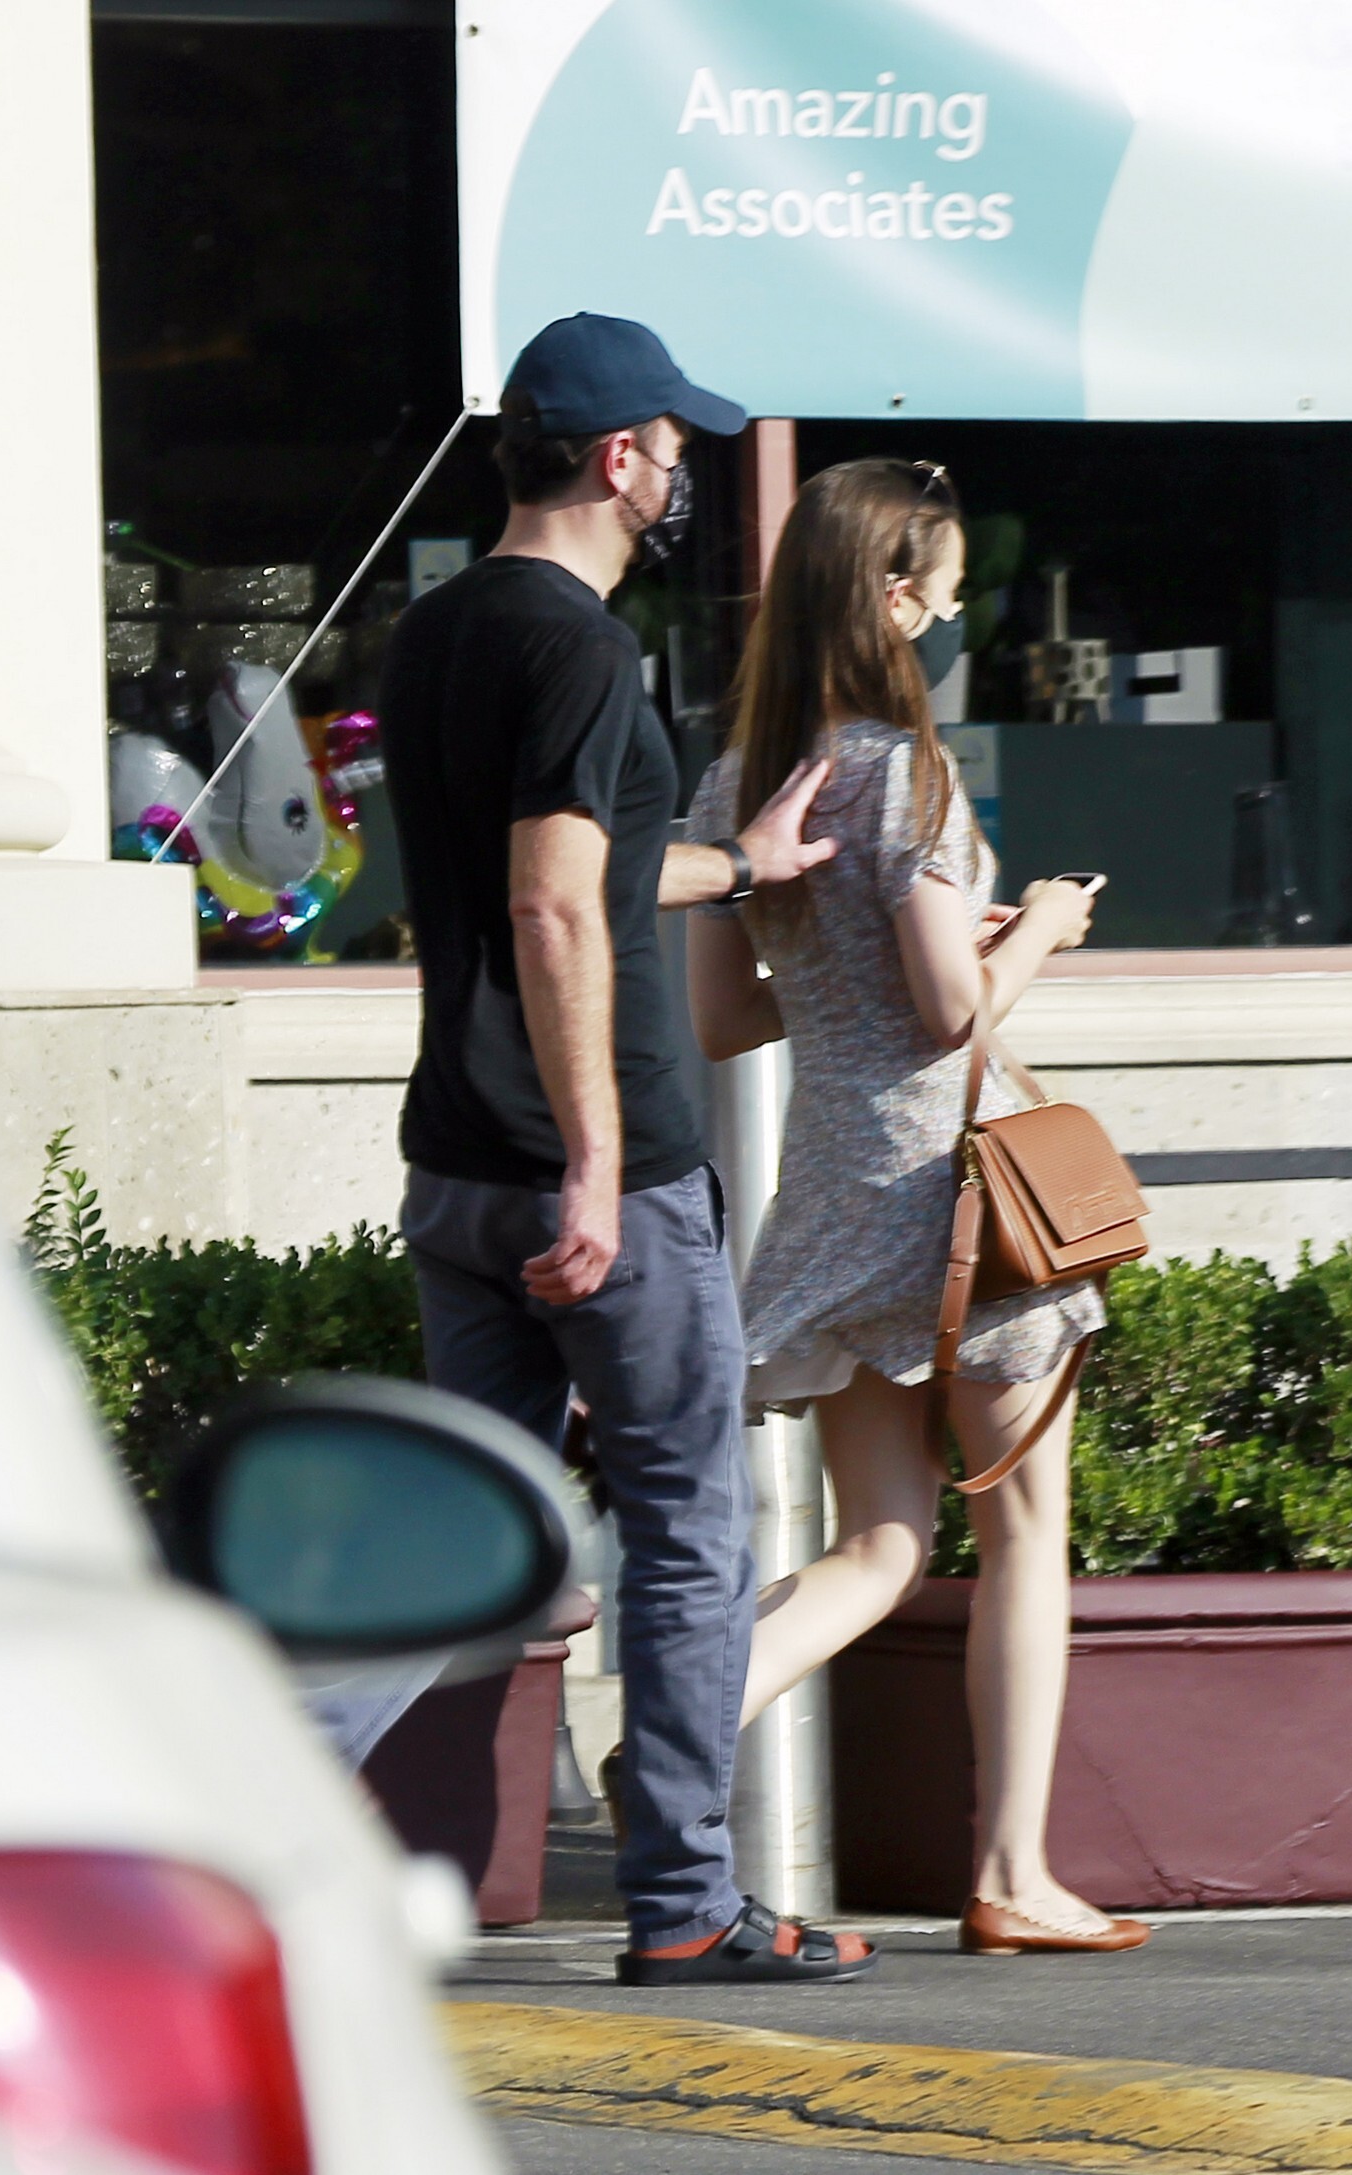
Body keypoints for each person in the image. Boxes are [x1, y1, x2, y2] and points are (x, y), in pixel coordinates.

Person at [379, 313, 876, 1985]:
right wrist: (596, 1162)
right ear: (615, 460)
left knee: (464, 1549)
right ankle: (685, 1905)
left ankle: (270, 1850)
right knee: (684, 1533)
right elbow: (547, 906)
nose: (682, 478)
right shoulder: (582, 651)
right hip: (597, 1182)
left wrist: (740, 866)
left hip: (455, 1164)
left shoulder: (438, 630)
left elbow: (579, 871)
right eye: (672, 450)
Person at [686, 457, 1150, 1956]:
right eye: (942, 598)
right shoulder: (913, 775)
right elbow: (954, 1016)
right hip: (969, 1203)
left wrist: (858, 979)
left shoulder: (736, 784)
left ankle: (678, 1726)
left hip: (834, 1197)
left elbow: (721, 1020)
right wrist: (1047, 930)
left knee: (880, 1546)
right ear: (893, 597)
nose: (949, 623)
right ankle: (1014, 1873)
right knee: (1025, 1530)